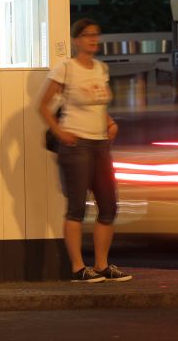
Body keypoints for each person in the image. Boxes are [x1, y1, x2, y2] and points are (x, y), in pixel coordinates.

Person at [38, 18, 131, 283]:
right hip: (76, 144)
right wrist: (60, 132)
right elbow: (43, 105)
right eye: (87, 35)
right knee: (77, 208)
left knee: (108, 206)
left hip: (101, 144)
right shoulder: (66, 68)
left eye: (96, 35)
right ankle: (78, 268)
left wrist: (110, 122)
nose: (93, 39)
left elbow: (97, 105)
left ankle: (102, 265)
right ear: (76, 40)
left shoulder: (101, 69)